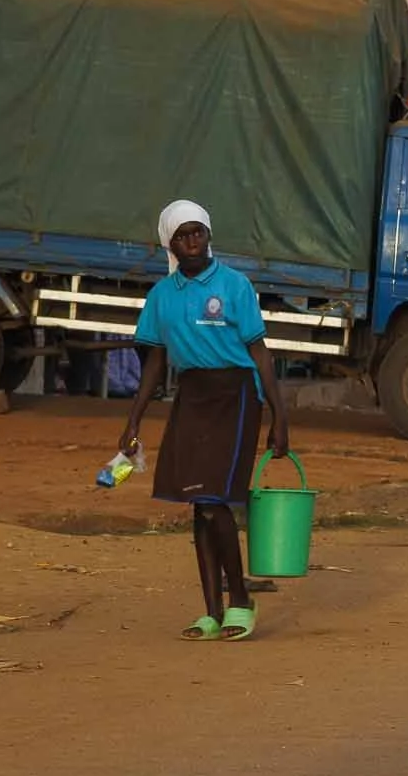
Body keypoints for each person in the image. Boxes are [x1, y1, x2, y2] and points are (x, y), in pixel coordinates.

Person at [115, 201, 291, 642]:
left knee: (213, 500)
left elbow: (259, 352)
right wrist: (132, 422)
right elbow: (154, 363)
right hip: (192, 395)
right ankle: (211, 612)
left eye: (198, 232)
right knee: (199, 504)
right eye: (182, 235)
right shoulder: (162, 296)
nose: (192, 241)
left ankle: (241, 602)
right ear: (169, 243)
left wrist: (279, 417)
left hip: (236, 396)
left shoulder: (234, 285)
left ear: (209, 234)